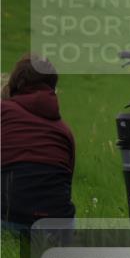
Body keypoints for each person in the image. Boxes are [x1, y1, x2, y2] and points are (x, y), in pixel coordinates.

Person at [1, 55, 76, 231]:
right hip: (57, 226)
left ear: (16, 82)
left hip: (7, 219)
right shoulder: (63, 130)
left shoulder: (3, 112)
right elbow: (66, 181)